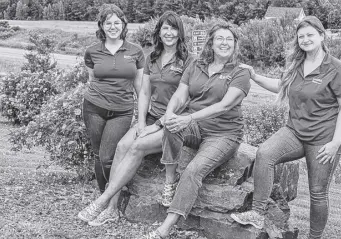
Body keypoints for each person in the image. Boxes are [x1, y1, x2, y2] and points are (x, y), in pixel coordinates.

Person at [230, 16, 341, 239]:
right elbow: (280, 86)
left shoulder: (336, 69)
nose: (305, 39)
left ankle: (314, 237)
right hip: (294, 131)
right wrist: (255, 76)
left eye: (310, 35)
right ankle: (257, 213)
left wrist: (335, 143)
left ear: (322, 36)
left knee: (317, 193)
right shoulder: (297, 64)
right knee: (265, 153)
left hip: (323, 139)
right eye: (301, 36)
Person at [77, 11, 192, 226]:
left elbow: (184, 98)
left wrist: (156, 125)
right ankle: (112, 209)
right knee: (121, 147)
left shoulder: (188, 60)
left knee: (137, 146)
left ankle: (102, 200)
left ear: (180, 32)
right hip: (151, 117)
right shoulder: (153, 57)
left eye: (173, 28)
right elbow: (145, 93)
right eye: (165, 28)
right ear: (159, 32)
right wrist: (141, 123)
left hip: (174, 121)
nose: (169, 33)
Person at [146, 23, 251, 239]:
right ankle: (169, 182)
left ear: (235, 44)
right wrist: (170, 114)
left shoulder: (240, 72)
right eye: (219, 38)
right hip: (195, 127)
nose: (224, 43)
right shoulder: (197, 66)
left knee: (193, 171)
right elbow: (180, 94)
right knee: (172, 126)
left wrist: (188, 118)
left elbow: (224, 105)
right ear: (211, 43)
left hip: (224, 134)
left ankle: (165, 228)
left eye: (229, 39)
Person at [81, 4, 144, 194]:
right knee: (97, 154)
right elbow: (92, 79)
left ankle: (110, 196)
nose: (113, 27)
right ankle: (104, 196)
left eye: (117, 22)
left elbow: (140, 87)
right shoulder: (92, 51)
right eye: (108, 23)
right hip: (93, 108)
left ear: (123, 24)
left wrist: (143, 116)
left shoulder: (136, 51)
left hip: (122, 111)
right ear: (101, 26)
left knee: (107, 156)